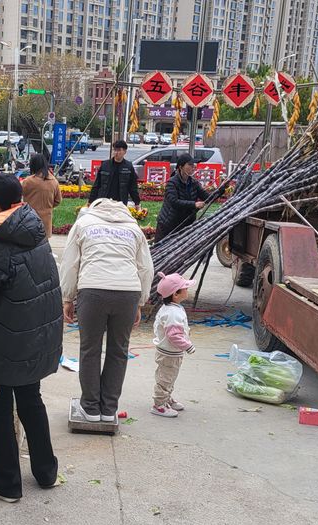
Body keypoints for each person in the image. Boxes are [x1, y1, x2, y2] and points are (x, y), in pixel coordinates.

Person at [0, 174, 62, 502]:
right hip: (33, 336)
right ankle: (46, 472)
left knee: (0, 408)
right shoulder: (33, 230)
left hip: (5, 340)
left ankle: (6, 482)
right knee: (31, 401)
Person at [59, 198, 153, 422]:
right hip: (127, 292)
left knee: (90, 349)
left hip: (92, 290)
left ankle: (90, 408)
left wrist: (67, 298)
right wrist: (141, 301)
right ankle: (109, 410)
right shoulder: (133, 228)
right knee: (119, 350)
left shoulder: (84, 224)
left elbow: (70, 264)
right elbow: (145, 268)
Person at [151, 273, 197, 418]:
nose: (187, 289)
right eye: (185, 288)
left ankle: (166, 398)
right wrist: (187, 346)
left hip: (171, 353)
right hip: (169, 354)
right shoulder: (173, 313)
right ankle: (159, 405)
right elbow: (174, 335)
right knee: (165, 379)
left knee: (169, 377)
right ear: (176, 294)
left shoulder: (173, 308)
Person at [155, 153, 210, 243]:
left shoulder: (194, 183)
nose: (193, 167)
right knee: (161, 251)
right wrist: (194, 204)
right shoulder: (172, 182)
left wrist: (222, 189)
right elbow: (174, 202)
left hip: (185, 224)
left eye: (194, 165)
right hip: (169, 225)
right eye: (190, 165)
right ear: (181, 167)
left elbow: (207, 196)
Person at [21, 153, 62, 239]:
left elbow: (17, 195)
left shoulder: (28, 181)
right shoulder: (54, 181)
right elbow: (58, 200)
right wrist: (48, 206)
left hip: (29, 219)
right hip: (46, 221)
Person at [87, 140, 140, 206]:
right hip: (103, 200)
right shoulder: (105, 165)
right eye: (115, 150)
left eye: (119, 150)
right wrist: (90, 201)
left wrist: (137, 203)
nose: (116, 152)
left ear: (124, 152)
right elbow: (96, 185)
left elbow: (133, 187)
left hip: (120, 202)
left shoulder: (129, 167)